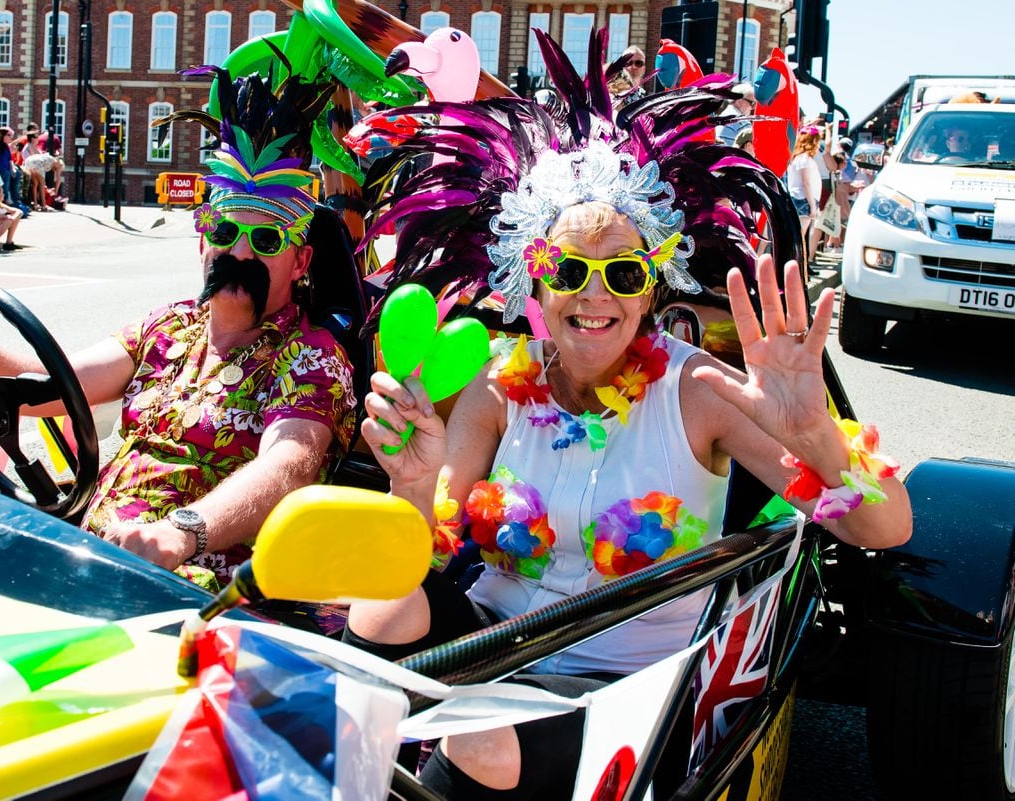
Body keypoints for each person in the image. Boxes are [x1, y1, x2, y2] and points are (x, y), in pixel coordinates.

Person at [346, 59, 912, 798]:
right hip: (490, 648)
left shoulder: (700, 390)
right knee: (377, 610)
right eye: (568, 268)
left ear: (652, 288)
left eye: (622, 273)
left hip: (623, 690)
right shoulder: (493, 381)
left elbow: (885, 526)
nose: (592, 295)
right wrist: (412, 485)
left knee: (480, 742)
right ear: (531, 277)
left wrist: (815, 437)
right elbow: (423, 547)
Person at [0, 69, 357, 589]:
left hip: (200, 588)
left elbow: (288, 465)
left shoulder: (310, 356)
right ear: (202, 243)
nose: (241, 253)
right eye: (226, 232)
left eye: (267, 241)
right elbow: (60, 384)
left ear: (301, 262)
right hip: (90, 555)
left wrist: (184, 532)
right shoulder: (169, 326)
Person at [786, 127, 822, 246]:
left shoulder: (799, 158)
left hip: (801, 199)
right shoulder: (804, 159)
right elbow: (806, 183)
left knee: (796, 236)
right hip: (803, 200)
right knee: (798, 237)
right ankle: (794, 262)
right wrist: (812, 206)